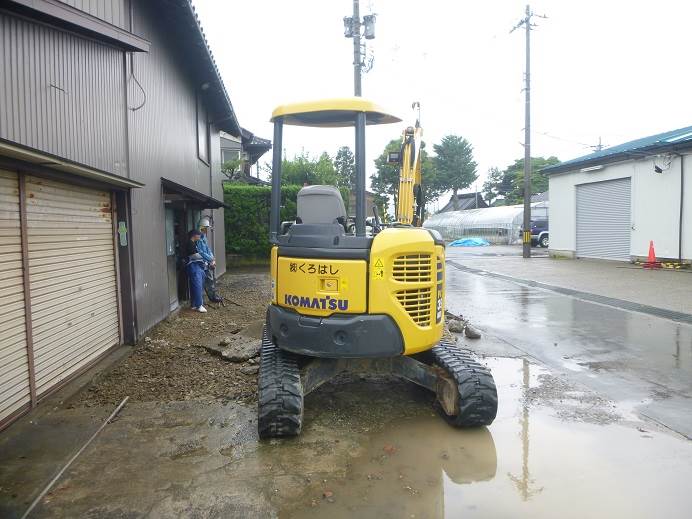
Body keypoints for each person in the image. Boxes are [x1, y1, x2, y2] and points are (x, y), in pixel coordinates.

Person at [197, 216, 223, 303]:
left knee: (210, 280)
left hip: (207, 262)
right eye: (204, 228)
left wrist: (212, 259)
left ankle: (213, 297)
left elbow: (208, 249)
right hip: (201, 263)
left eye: (206, 228)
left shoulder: (204, 237)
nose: (206, 230)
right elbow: (201, 252)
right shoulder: (198, 239)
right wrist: (211, 259)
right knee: (203, 281)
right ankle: (205, 299)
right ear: (201, 228)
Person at [186, 229, 207, 313]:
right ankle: (199, 305)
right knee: (197, 285)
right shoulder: (189, 243)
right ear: (194, 235)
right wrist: (205, 257)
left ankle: (194, 304)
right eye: (199, 235)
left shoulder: (194, 243)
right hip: (193, 266)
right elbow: (194, 255)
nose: (200, 236)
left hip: (197, 266)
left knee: (196, 285)